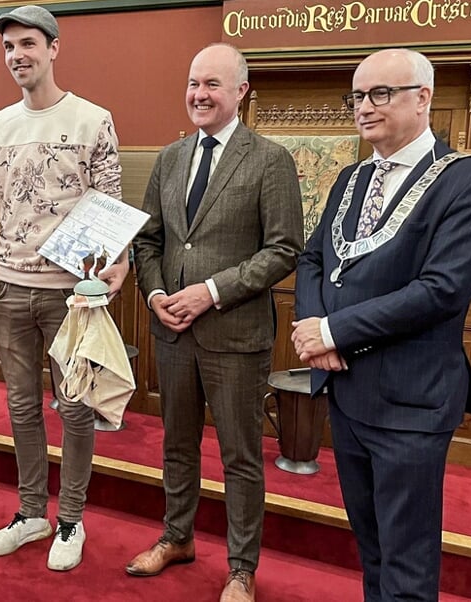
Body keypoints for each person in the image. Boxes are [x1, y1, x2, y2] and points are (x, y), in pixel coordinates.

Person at [291, 48, 471, 601]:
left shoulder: (469, 184)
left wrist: (335, 332)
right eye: (358, 96)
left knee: (407, 564)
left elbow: (440, 291)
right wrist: (315, 326)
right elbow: (314, 259)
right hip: (347, 390)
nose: (364, 107)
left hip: (410, 400)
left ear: (423, 98)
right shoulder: (351, 178)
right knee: (373, 548)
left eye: (380, 94)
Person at [0, 4, 128, 572]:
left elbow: (108, 203)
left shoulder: (92, 118)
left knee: (74, 407)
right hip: (9, 287)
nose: (17, 56)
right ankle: (32, 513)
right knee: (22, 406)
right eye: (9, 48)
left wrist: (117, 264)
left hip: (70, 294)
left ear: (53, 47)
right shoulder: (0, 124)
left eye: (28, 44)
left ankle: (71, 520)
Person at [129, 43, 304, 602]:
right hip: (172, 332)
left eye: (212, 84)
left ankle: (241, 569)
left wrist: (209, 292)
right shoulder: (170, 157)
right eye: (192, 83)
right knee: (176, 445)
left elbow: (283, 250)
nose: (199, 94)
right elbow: (149, 240)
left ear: (241, 92)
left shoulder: (269, 159)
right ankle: (177, 537)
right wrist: (155, 292)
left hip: (235, 335)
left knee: (240, 457)